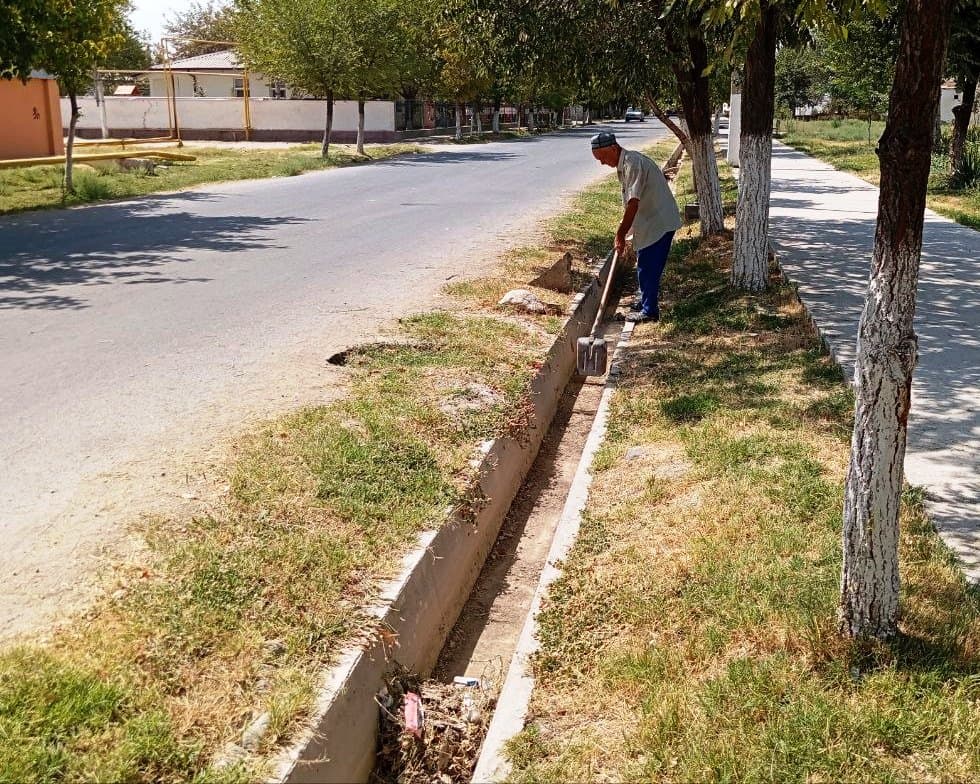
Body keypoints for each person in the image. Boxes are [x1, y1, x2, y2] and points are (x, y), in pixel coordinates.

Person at [591, 131, 680, 322]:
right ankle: (645, 301)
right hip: (649, 220)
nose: (602, 162)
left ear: (613, 148)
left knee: (649, 266)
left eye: (603, 157)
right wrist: (625, 228)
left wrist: (621, 234)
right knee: (644, 263)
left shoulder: (633, 164)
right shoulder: (625, 164)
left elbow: (633, 202)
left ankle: (649, 311)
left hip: (658, 221)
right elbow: (631, 203)